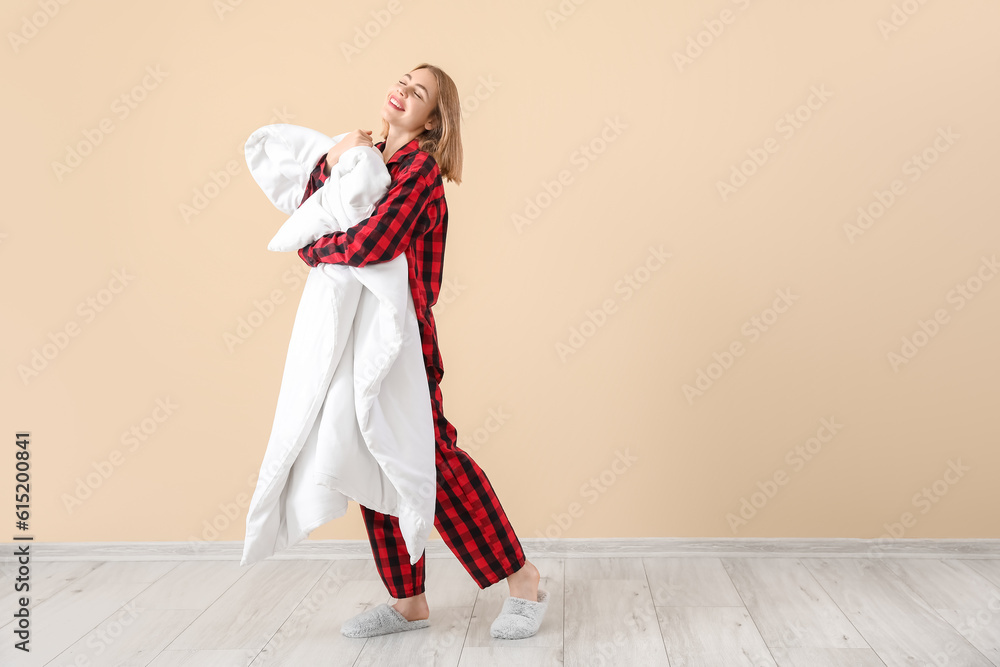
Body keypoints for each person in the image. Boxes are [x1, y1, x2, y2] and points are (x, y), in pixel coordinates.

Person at [296, 63, 548, 640]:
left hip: (400, 342)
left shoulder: (420, 173)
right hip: (355, 340)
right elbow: (312, 217)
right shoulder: (364, 158)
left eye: (419, 92)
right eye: (402, 80)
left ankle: (521, 576)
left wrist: (318, 250)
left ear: (434, 119)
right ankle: (408, 601)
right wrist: (330, 161)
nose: (402, 91)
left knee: (431, 459)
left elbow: (370, 244)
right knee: (373, 457)